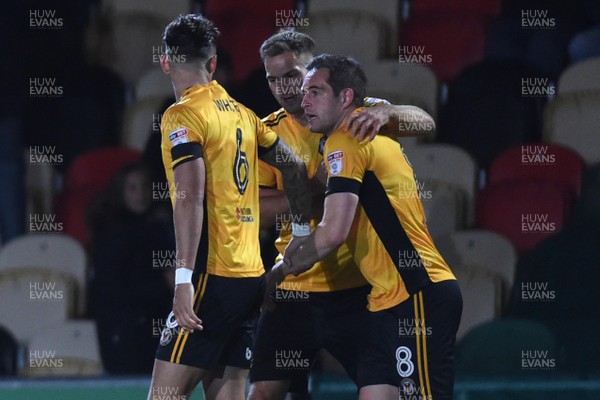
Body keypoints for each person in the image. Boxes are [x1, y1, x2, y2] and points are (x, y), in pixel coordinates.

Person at [249, 30, 437, 400]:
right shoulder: (268, 134)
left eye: (292, 76)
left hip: (359, 288)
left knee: (384, 392)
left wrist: (388, 112)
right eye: (272, 79)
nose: (283, 88)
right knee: (262, 394)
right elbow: (257, 211)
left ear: (314, 73)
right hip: (295, 288)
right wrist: (314, 189)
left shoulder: (358, 113)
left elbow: (425, 122)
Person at [147, 14, 311, 400]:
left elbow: (189, 196)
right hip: (250, 278)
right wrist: (301, 233)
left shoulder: (181, 115)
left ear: (166, 63)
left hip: (210, 278)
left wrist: (184, 278)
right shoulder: (244, 115)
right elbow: (296, 169)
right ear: (214, 63)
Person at [87, 162, 174, 374]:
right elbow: (111, 292)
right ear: (120, 191)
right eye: (132, 188)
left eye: (145, 186)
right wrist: (163, 284)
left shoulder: (163, 227)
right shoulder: (111, 234)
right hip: (123, 333)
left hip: (158, 328)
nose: (141, 194)